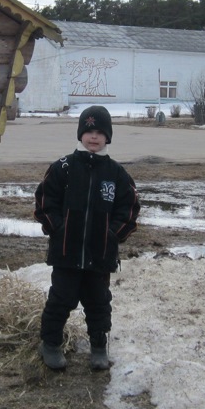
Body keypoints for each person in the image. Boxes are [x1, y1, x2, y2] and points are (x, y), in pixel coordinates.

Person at [34, 105, 141, 370]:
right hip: (66, 254)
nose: (94, 137)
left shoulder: (117, 174)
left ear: (108, 137)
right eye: (89, 131)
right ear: (80, 134)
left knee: (99, 303)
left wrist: (111, 235)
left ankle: (98, 347)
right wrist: (58, 229)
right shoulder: (63, 168)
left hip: (100, 255)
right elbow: (45, 201)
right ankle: (50, 344)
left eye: (100, 132)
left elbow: (129, 210)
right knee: (61, 300)